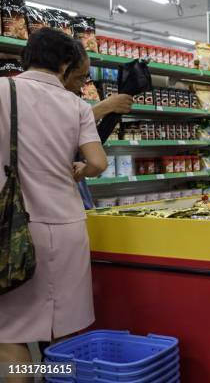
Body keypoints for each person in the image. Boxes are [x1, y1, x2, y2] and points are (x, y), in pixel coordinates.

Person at [0, 28, 107, 380]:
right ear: (64, 65)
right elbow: (97, 162)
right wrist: (77, 170)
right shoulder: (76, 105)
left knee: (11, 333)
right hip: (68, 229)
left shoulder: (3, 90)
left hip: (15, 231)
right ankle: (58, 375)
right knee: (64, 331)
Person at [63, 41, 133, 209]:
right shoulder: (63, 104)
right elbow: (98, 163)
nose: (83, 84)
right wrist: (105, 107)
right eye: (80, 77)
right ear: (62, 70)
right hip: (64, 205)